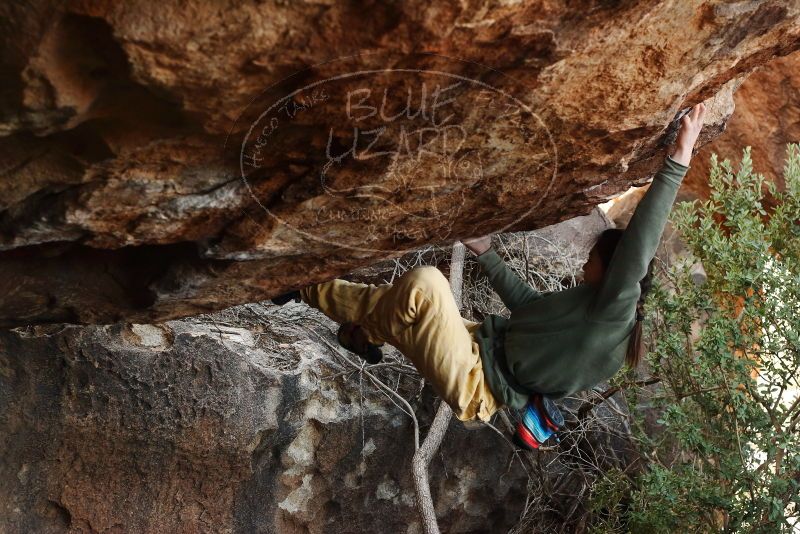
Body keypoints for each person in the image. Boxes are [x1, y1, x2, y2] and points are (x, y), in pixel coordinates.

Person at [273, 102, 707, 424]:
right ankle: (324, 304)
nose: (582, 264)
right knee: (399, 301)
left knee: (426, 285)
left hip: (477, 383)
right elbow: (527, 307)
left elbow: (638, 247)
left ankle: (355, 322)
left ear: (612, 270)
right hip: (474, 344)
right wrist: (485, 250)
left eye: (591, 258)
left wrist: (678, 161)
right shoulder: (591, 310)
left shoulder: (615, 315)